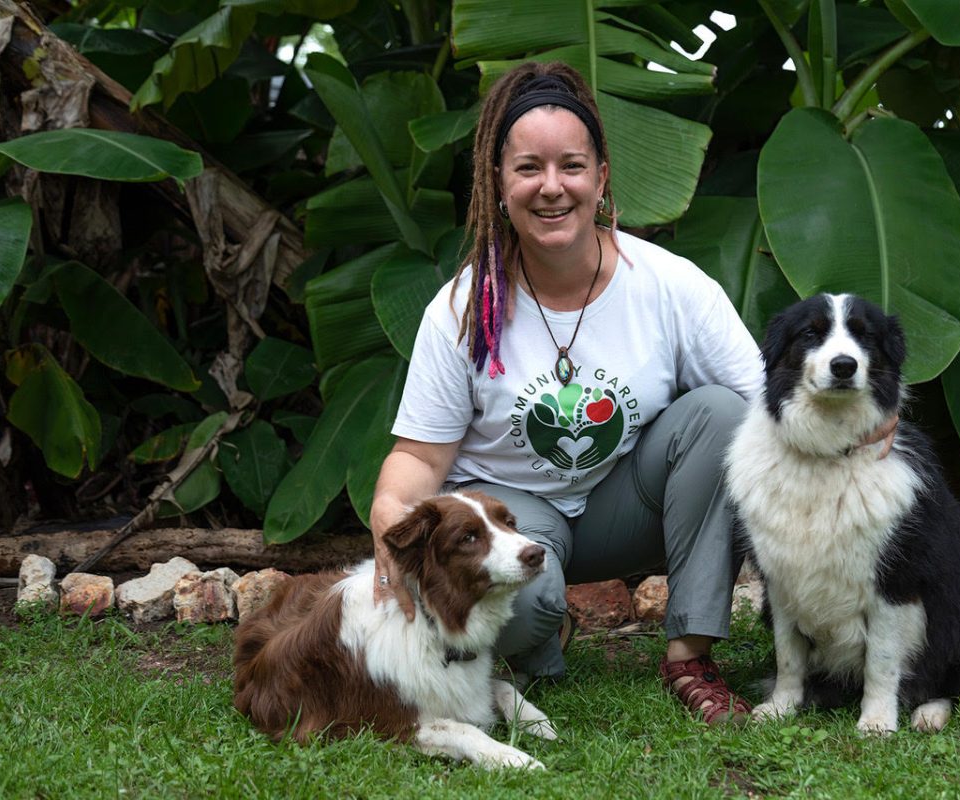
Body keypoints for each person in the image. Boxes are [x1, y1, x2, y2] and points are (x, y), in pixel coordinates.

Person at [368, 61, 891, 724]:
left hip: (629, 501)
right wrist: (388, 508)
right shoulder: (463, 309)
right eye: (528, 168)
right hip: (511, 520)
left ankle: (689, 655)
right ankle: (543, 635)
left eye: (572, 166)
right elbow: (419, 458)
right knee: (531, 602)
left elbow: (769, 400)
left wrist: (866, 422)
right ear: (498, 184)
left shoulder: (669, 286)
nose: (551, 187)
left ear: (601, 177)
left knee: (724, 416)